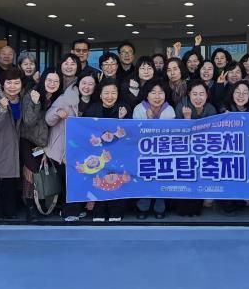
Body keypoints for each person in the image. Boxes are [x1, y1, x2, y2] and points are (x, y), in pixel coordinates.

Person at [83, 78, 131, 221]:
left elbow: (130, 133)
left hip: (118, 155)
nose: (110, 96)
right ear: (100, 94)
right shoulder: (92, 109)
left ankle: (116, 211)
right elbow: (84, 131)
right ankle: (99, 211)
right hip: (97, 154)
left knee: (116, 181)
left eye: (113, 93)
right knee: (100, 181)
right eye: (106, 93)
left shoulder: (124, 108)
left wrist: (122, 119)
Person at [45, 55, 86, 221]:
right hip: (61, 145)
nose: (86, 87)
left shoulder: (89, 97)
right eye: (66, 63)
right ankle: (69, 211)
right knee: (68, 178)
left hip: (82, 146)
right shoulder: (62, 95)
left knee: (78, 177)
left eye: (73, 63)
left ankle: (75, 209)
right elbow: (48, 119)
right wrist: (57, 113)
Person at [19, 68, 62, 220]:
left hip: (46, 142)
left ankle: (43, 203)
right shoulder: (31, 94)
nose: (52, 84)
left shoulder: (58, 99)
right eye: (49, 80)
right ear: (43, 80)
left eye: (56, 81)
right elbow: (28, 121)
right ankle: (30, 207)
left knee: (44, 172)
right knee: (30, 173)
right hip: (28, 141)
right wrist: (36, 103)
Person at [132, 79, 175, 219]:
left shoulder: (169, 110)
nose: (157, 96)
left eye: (160, 93)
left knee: (162, 175)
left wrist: (151, 122)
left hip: (164, 152)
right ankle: (143, 206)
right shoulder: (139, 109)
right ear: (147, 94)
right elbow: (136, 133)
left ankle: (159, 206)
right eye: (153, 92)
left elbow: (167, 134)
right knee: (145, 176)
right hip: (142, 151)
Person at [174, 79, 218, 217]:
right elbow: (176, 133)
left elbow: (213, 134)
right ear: (189, 94)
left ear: (206, 95)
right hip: (183, 152)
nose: (198, 98)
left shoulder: (210, 109)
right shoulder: (181, 106)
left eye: (201, 94)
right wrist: (187, 120)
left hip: (203, 152)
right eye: (195, 94)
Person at [0, 67, 24, 219]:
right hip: (1, 147)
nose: (12, 86)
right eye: (9, 82)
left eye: (16, 83)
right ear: (2, 83)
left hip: (17, 147)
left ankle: (10, 212)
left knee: (12, 182)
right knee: (2, 181)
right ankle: (0, 213)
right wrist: (2, 109)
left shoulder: (22, 99)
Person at [219, 80, 249, 215]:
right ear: (232, 94)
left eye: (245, 93)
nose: (241, 96)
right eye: (237, 92)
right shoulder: (223, 109)